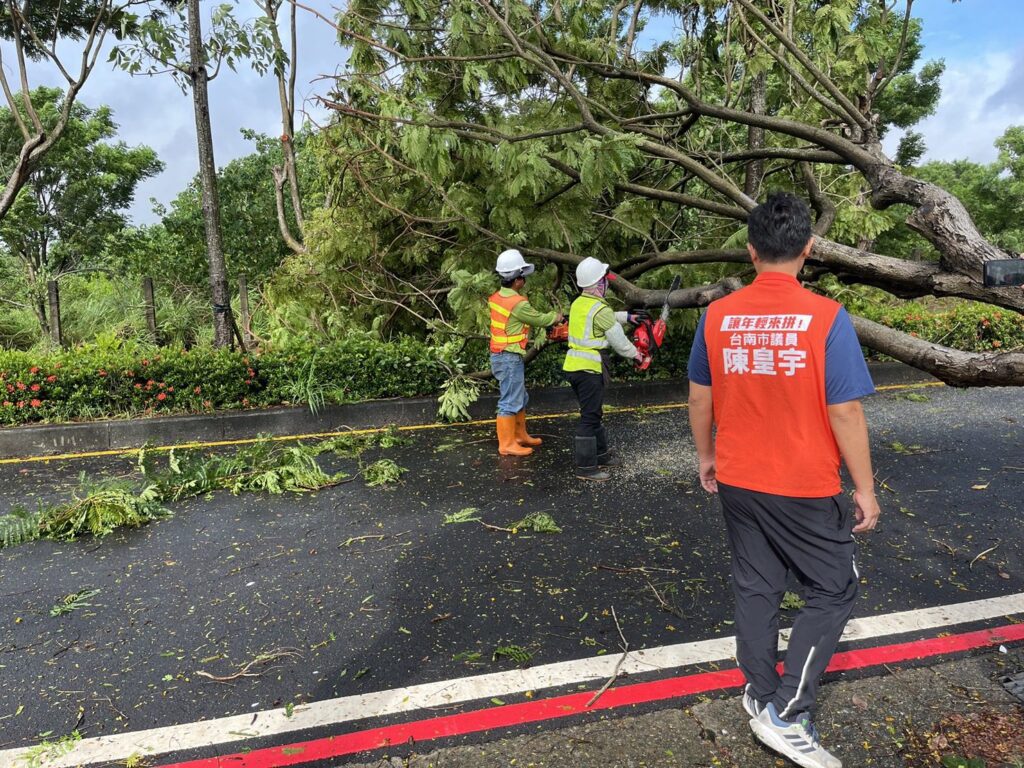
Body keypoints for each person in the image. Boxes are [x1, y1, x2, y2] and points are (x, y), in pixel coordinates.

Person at [687, 192, 881, 768]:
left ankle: (757, 691)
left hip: (740, 477)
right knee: (835, 587)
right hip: (802, 483)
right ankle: (787, 712)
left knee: (756, 584)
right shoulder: (825, 317)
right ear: (809, 249)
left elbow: (701, 395)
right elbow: (844, 410)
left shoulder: (716, 316)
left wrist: (706, 457)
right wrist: (865, 488)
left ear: (750, 252)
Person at [563, 257, 647, 481]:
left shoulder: (579, 303)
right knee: (589, 418)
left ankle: (601, 454)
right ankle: (586, 468)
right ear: (598, 284)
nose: (607, 283)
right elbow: (619, 342)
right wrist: (638, 355)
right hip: (589, 368)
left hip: (574, 367)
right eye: (604, 280)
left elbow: (603, 317)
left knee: (593, 412)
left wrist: (628, 317)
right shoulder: (599, 309)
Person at [489, 248, 563, 456]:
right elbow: (538, 319)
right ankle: (506, 444)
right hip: (508, 356)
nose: (524, 280)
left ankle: (519, 436)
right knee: (510, 400)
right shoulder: (517, 303)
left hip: (503, 355)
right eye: (522, 276)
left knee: (519, 396)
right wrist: (556, 318)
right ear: (517, 280)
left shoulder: (497, 297)